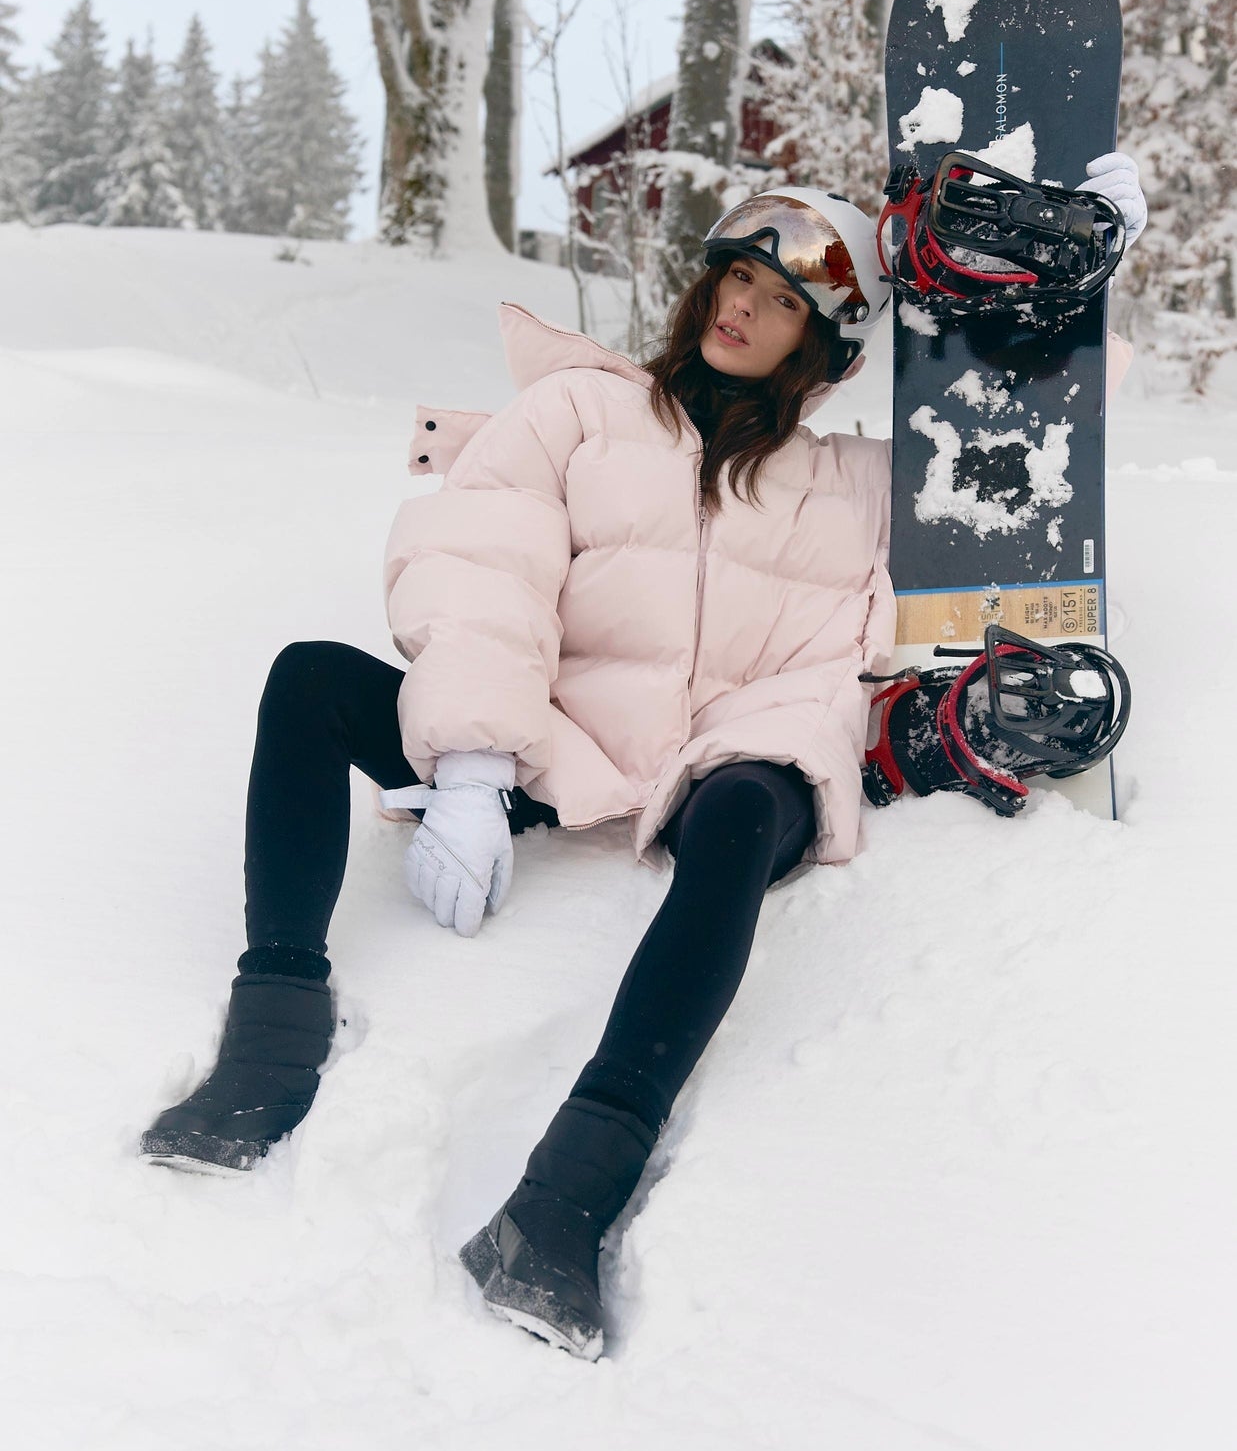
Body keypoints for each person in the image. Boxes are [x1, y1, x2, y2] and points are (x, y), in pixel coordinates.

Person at [140, 159, 1147, 1362]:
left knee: (743, 811)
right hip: (545, 741)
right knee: (309, 676)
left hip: (719, 760)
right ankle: (268, 1044)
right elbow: (483, 565)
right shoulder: (580, 415)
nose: (742, 306)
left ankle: (564, 1201)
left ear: (823, 348)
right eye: (736, 275)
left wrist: (1058, 285)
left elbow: (1027, 445)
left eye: (782, 301)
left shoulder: (851, 485)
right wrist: (468, 760)